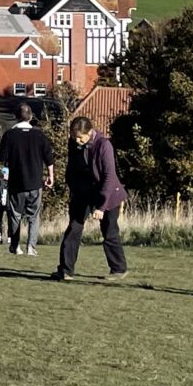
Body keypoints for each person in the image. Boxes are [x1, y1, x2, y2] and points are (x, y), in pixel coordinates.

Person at [55, 114, 129, 282]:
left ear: (90, 132)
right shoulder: (73, 144)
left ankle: (118, 269)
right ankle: (65, 270)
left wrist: (101, 207)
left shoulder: (104, 145)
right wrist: (73, 189)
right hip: (83, 192)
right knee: (74, 228)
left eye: (80, 138)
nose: (77, 141)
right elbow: (71, 168)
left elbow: (109, 177)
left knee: (109, 231)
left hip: (108, 192)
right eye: (74, 138)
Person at [0, 101, 55, 256]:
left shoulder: (9, 135)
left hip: (16, 183)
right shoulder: (39, 135)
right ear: (30, 117)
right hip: (35, 183)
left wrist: (3, 174)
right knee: (33, 217)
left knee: (15, 215)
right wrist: (51, 176)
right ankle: (31, 246)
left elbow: (1, 160)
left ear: (16, 117)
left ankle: (15, 246)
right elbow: (49, 159)